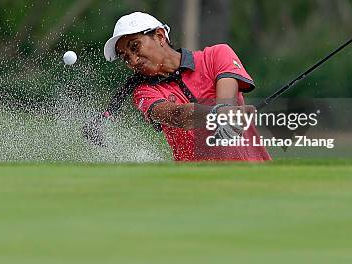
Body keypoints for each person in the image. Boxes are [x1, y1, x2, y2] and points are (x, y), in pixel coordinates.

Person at [102, 12, 271, 162]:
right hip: (199, 189)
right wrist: (218, 114)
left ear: (160, 36)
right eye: (125, 58)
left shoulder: (216, 55)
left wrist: (225, 112)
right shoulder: (144, 92)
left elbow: (227, 103)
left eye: (135, 46)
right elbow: (178, 115)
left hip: (257, 179)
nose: (133, 60)